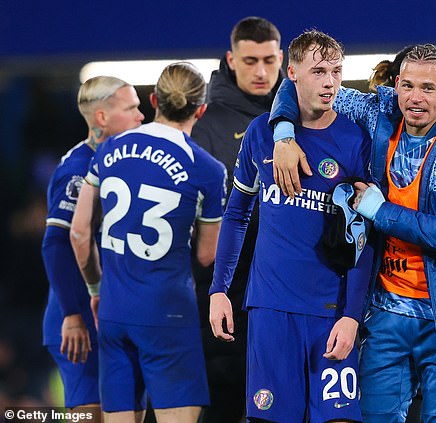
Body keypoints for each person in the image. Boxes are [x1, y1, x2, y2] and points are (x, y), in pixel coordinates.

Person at [269, 43, 436, 422]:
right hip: (387, 313)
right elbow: (299, 84)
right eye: (407, 85)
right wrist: (283, 134)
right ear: (396, 85)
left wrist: (380, 211)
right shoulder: (380, 111)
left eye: (428, 88)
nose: (415, 98)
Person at [209, 30, 373, 423]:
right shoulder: (261, 134)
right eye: (319, 71)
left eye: (336, 71)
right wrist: (219, 289)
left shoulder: (355, 140)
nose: (331, 82)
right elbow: (236, 215)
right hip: (271, 309)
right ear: (293, 72)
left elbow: (364, 239)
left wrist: (351, 314)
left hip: (330, 313)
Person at [70, 62, 226, 423]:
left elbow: (78, 233)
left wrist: (96, 288)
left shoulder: (108, 150)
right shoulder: (207, 169)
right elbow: (206, 255)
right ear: (200, 109)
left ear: (154, 99)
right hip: (167, 314)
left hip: (113, 312)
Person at [189, 16, 284, 423]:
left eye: (268, 60)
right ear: (231, 59)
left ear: (282, 59)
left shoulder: (303, 114)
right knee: (226, 400)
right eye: (249, 61)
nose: (260, 72)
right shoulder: (206, 124)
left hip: (286, 291)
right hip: (227, 292)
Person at [41, 76, 144, 414]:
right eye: (131, 108)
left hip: (114, 313)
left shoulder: (123, 162)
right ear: (101, 118)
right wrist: (72, 314)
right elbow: (56, 243)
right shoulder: (77, 168)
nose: (140, 116)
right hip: (81, 320)